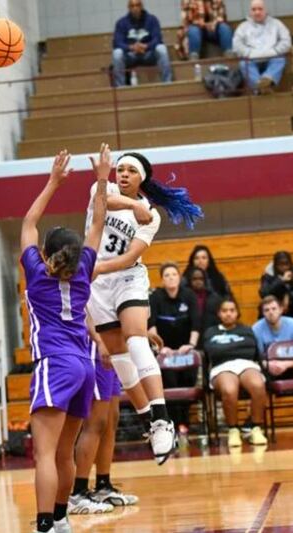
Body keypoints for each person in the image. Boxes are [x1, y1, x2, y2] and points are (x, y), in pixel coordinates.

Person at [86, 151, 203, 465]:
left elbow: (127, 257)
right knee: (119, 359)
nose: (122, 174)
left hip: (126, 276)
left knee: (136, 338)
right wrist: (134, 204)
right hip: (97, 284)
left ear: (142, 178)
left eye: (130, 171)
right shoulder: (103, 189)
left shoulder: (152, 214)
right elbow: (103, 203)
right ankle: (149, 422)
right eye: (119, 169)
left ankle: (163, 419)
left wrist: (141, 208)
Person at [21, 146, 110, 533]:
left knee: (44, 454)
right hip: (84, 366)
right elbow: (98, 225)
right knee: (64, 451)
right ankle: (60, 520)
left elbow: (28, 222)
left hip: (55, 365)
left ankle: (43, 525)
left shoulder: (37, 276)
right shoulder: (85, 270)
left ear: (46, 254)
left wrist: (54, 182)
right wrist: (103, 179)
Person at [69, 328, 139, 514]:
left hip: (114, 344)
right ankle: (78, 492)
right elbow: (88, 310)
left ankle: (103, 485)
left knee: (111, 418)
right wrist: (99, 340)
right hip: (96, 346)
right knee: (95, 421)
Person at [203, 299, 268, 447]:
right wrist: (236, 347)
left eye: (232, 310)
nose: (228, 314)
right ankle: (233, 430)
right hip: (222, 366)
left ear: (237, 313)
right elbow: (213, 352)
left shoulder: (246, 330)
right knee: (230, 390)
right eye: (225, 311)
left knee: (258, 385)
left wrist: (227, 348)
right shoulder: (210, 332)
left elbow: (250, 349)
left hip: (246, 364)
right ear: (219, 314)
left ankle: (256, 428)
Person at [148, 262, 201, 431]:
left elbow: (196, 323)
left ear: (179, 277)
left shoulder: (189, 295)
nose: (171, 278)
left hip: (185, 349)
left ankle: (185, 421)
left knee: (188, 382)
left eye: (174, 274)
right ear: (162, 279)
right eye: (167, 275)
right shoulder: (156, 297)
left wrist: (191, 345)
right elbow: (151, 324)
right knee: (170, 384)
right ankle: (175, 423)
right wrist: (160, 348)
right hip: (166, 351)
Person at [252, 295, 293, 429]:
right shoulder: (256, 329)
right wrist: (268, 365)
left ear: (281, 309)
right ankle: (253, 419)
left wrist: (285, 365)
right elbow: (256, 358)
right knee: (254, 376)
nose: (271, 313)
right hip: (269, 368)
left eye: (273, 309)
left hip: (292, 366)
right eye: (266, 310)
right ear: (263, 313)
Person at [233, 0, 291, 94]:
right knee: (243, 63)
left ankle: (266, 80)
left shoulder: (277, 24)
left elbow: (286, 41)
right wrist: (249, 53)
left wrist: (275, 51)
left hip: (271, 57)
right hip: (252, 58)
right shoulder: (242, 27)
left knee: (280, 59)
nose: (257, 12)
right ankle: (262, 87)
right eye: (254, 9)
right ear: (250, 11)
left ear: (265, 10)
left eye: (260, 9)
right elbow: (237, 44)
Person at [112, 0, 172, 87]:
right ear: (128, 8)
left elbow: (157, 38)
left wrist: (146, 46)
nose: (135, 8)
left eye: (137, 5)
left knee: (161, 48)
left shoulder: (152, 19)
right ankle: (120, 88)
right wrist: (132, 47)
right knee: (117, 53)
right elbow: (117, 42)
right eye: (132, 6)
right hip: (130, 55)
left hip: (148, 54)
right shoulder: (121, 22)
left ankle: (167, 84)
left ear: (142, 6)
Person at [260, 251, 293, 330]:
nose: (284, 268)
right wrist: (281, 281)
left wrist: (288, 295)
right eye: (281, 265)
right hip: (277, 305)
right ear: (275, 265)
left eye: (287, 264)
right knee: (266, 306)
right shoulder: (268, 274)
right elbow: (263, 293)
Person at [187, 266, 224, 342]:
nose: (198, 281)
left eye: (201, 279)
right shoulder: (184, 298)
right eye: (194, 279)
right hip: (189, 337)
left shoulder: (215, 298)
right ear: (189, 281)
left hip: (210, 337)